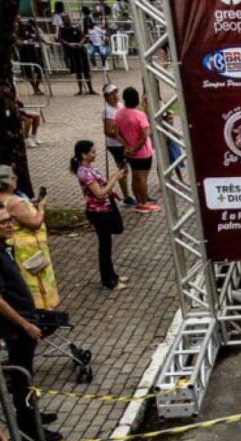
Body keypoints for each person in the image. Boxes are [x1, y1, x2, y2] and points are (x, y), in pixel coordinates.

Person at [0, 200, 61, 441]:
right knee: (22, 378)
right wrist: (26, 325)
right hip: (15, 328)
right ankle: (27, 427)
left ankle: (31, 414)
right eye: (2, 223)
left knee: (27, 375)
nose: (10, 226)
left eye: (9, 220)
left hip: (23, 319)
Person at [0, 165, 59, 310]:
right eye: (13, 177)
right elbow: (35, 223)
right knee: (35, 278)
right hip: (28, 249)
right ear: (6, 181)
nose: (16, 179)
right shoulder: (15, 202)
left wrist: (28, 205)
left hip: (13, 245)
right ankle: (41, 308)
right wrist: (41, 209)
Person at [71, 140, 127, 290]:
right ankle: (108, 280)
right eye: (92, 152)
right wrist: (114, 179)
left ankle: (112, 274)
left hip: (106, 208)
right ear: (84, 154)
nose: (95, 154)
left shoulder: (90, 168)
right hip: (98, 212)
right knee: (104, 247)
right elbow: (100, 194)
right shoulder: (84, 172)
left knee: (108, 244)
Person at [114, 87, 160, 212]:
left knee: (135, 177)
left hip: (129, 153)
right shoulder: (140, 114)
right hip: (143, 153)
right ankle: (144, 203)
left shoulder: (119, 114)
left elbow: (116, 133)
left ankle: (138, 201)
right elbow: (144, 135)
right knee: (143, 179)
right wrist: (135, 148)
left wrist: (126, 146)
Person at [100, 86, 135, 206]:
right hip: (116, 145)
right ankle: (127, 196)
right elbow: (108, 131)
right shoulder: (107, 110)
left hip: (127, 142)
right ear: (105, 96)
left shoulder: (121, 105)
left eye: (116, 92)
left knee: (131, 169)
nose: (114, 96)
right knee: (123, 170)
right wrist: (121, 134)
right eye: (111, 94)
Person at [57, 13, 95, 95]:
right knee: (78, 70)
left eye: (66, 17)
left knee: (86, 69)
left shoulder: (75, 26)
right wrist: (68, 44)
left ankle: (90, 89)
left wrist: (80, 43)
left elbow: (84, 36)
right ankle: (80, 89)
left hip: (81, 49)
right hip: (72, 50)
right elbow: (60, 38)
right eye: (63, 18)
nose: (65, 20)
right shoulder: (61, 28)